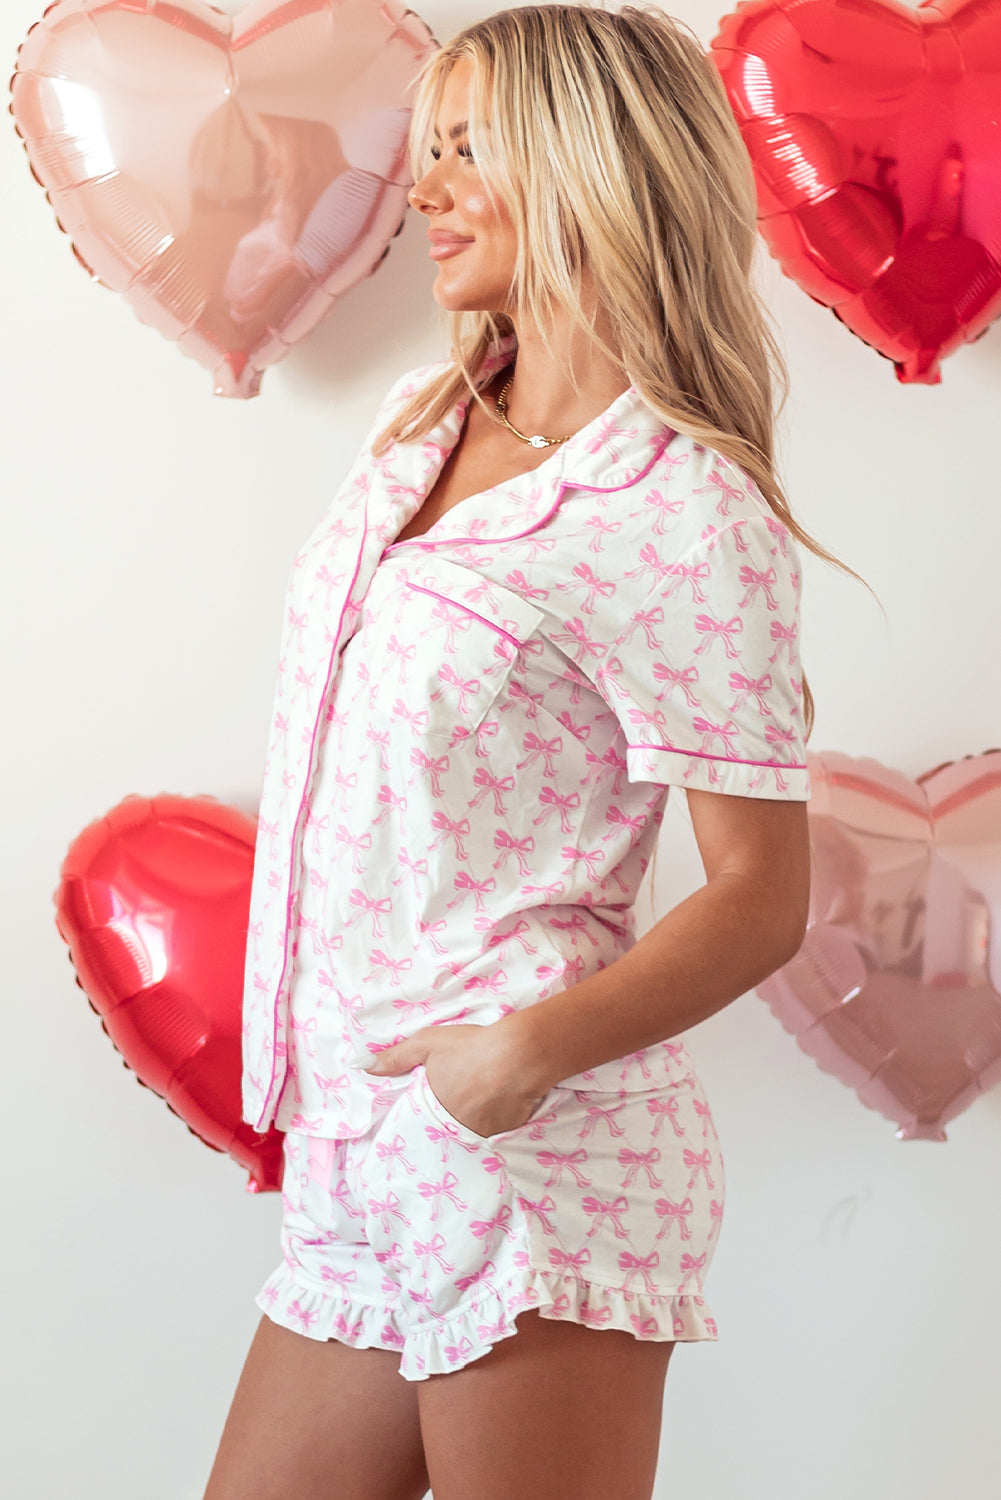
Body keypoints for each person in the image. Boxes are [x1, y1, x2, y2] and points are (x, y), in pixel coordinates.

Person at [203, 5, 861, 1497]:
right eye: (424, 148)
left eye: (465, 150)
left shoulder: (682, 512)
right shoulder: (421, 418)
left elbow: (759, 895)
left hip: (529, 1145)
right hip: (358, 1146)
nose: (423, 186)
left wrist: (513, 1060)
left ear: (584, 168)